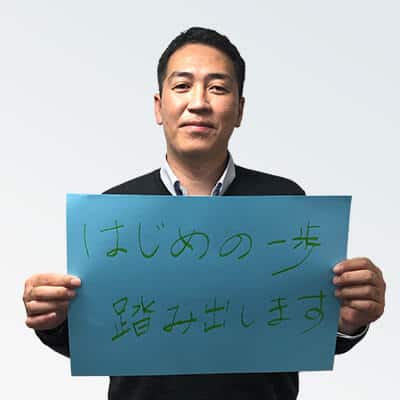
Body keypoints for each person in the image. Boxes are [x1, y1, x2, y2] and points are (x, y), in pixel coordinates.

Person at [23, 27, 386, 400]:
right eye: (182, 86)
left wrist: (350, 321)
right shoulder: (114, 211)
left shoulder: (285, 203)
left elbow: (304, 331)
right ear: (158, 106)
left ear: (240, 109)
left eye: (217, 88)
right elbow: (101, 338)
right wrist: (53, 320)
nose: (198, 103)